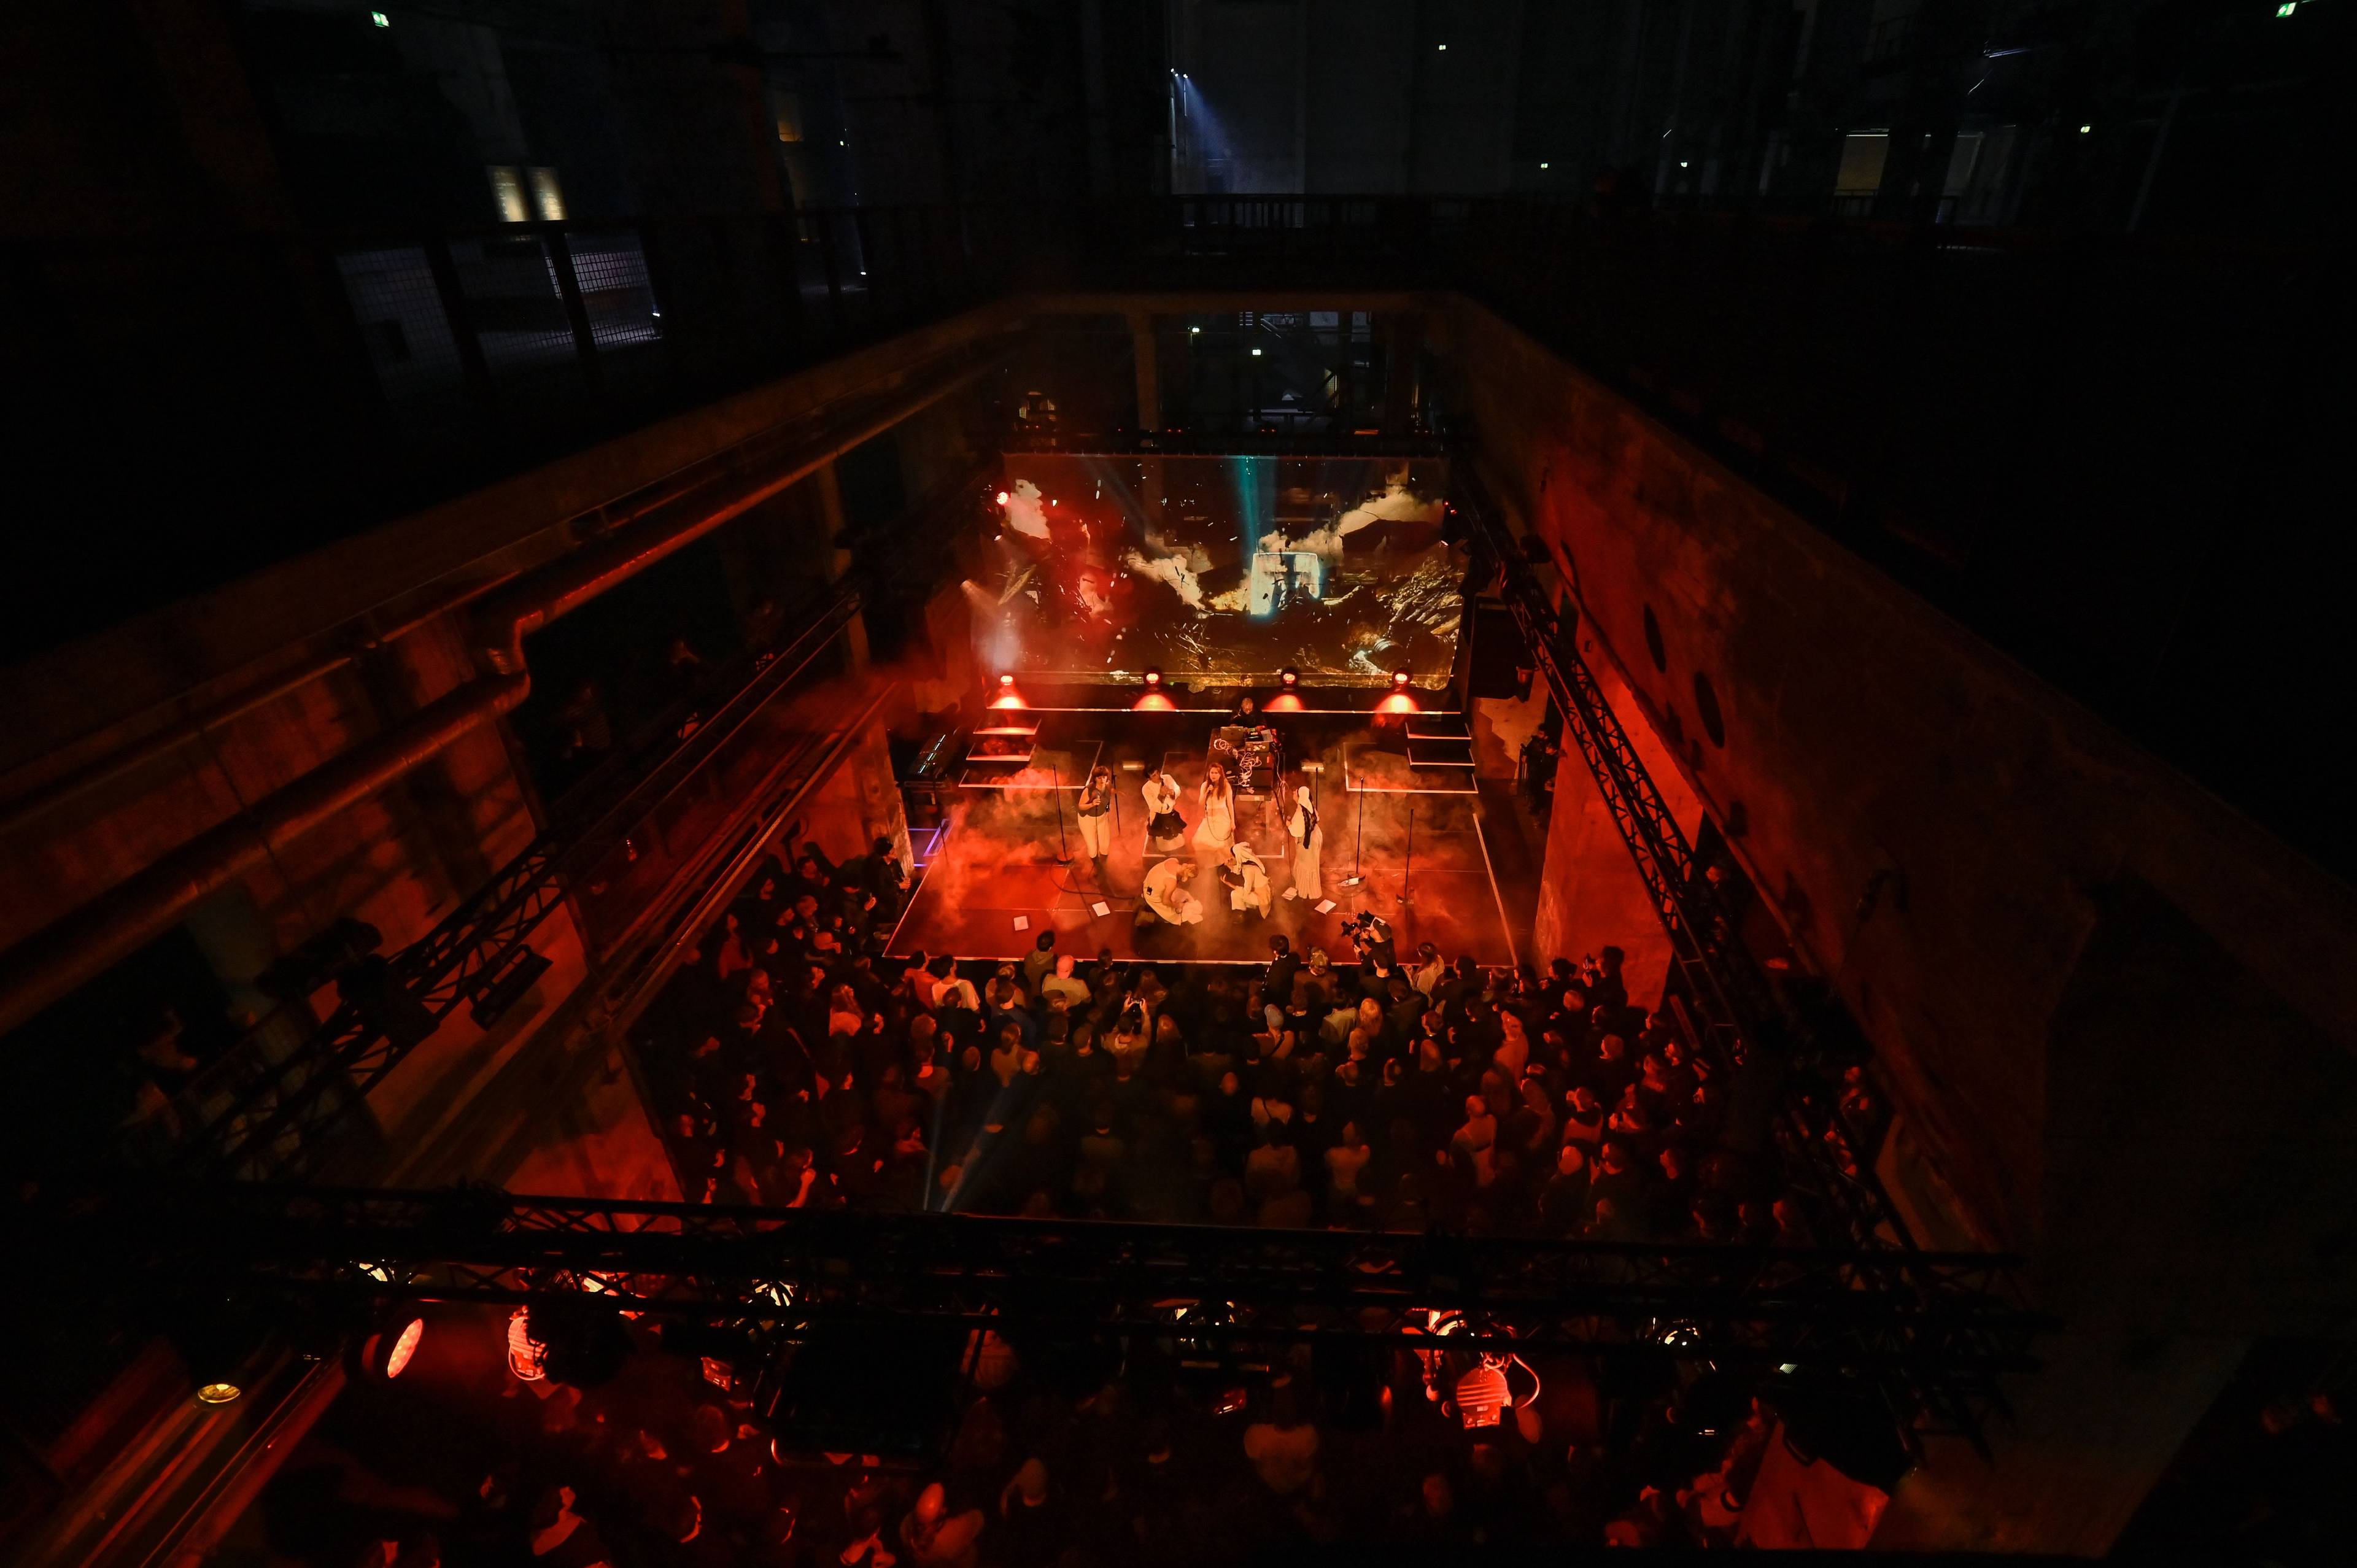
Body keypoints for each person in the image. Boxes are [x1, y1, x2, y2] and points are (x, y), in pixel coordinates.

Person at [1283, 784, 1322, 901]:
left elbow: (1297, 832)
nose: (1294, 792)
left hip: (1308, 845)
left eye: (1296, 792)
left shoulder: (1301, 814)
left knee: (1306, 866)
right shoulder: (1307, 806)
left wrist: (1289, 825)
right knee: (1307, 865)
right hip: (1312, 840)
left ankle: (1307, 891)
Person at [1140, 857, 1203, 926]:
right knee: (1175, 918)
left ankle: (1141, 901)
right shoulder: (1172, 882)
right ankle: (1146, 916)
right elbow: (1165, 902)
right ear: (1187, 876)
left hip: (1147, 885)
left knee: (1175, 894)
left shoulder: (1174, 860)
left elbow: (1166, 879)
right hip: (1152, 897)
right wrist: (1178, 905)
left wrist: (1183, 877)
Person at [1076, 765, 1115, 867]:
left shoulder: (1108, 785)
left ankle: (1103, 866)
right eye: (1099, 777)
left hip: (1102, 818)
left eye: (1104, 777)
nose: (1102, 780)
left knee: (1105, 846)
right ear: (1095, 778)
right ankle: (1098, 867)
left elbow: (1108, 798)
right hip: (1087, 821)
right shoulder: (1089, 790)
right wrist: (1092, 804)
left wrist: (1107, 810)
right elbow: (1080, 807)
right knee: (1093, 848)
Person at [1194, 763, 1234, 857]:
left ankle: (1225, 866)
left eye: (1216, 773)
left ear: (1221, 775)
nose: (1214, 775)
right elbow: (1200, 803)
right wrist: (1207, 792)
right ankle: (1211, 868)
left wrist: (1233, 821)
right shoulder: (1205, 786)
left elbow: (1230, 804)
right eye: (1212, 773)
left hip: (1222, 817)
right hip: (1209, 818)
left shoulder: (1226, 786)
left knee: (1221, 846)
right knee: (1199, 842)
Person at [1223, 841, 1272, 919]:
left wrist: (1229, 884)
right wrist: (1229, 865)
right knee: (1239, 893)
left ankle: (1242, 916)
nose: (1230, 859)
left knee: (1235, 894)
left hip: (1262, 897)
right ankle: (1249, 909)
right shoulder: (1249, 863)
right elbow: (1238, 870)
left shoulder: (1249, 870)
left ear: (1239, 857)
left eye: (1232, 857)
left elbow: (1246, 892)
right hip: (1261, 892)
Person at [1142, 768, 1186, 852]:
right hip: (1158, 817)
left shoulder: (1167, 778)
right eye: (1154, 775)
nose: (1158, 776)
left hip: (1171, 814)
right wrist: (1161, 795)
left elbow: (1178, 789)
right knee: (1164, 845)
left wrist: (1172, 792)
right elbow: (1153, 807)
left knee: (1179, 841)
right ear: (1149, 778)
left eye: (1158, 773)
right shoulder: (1146, 788)